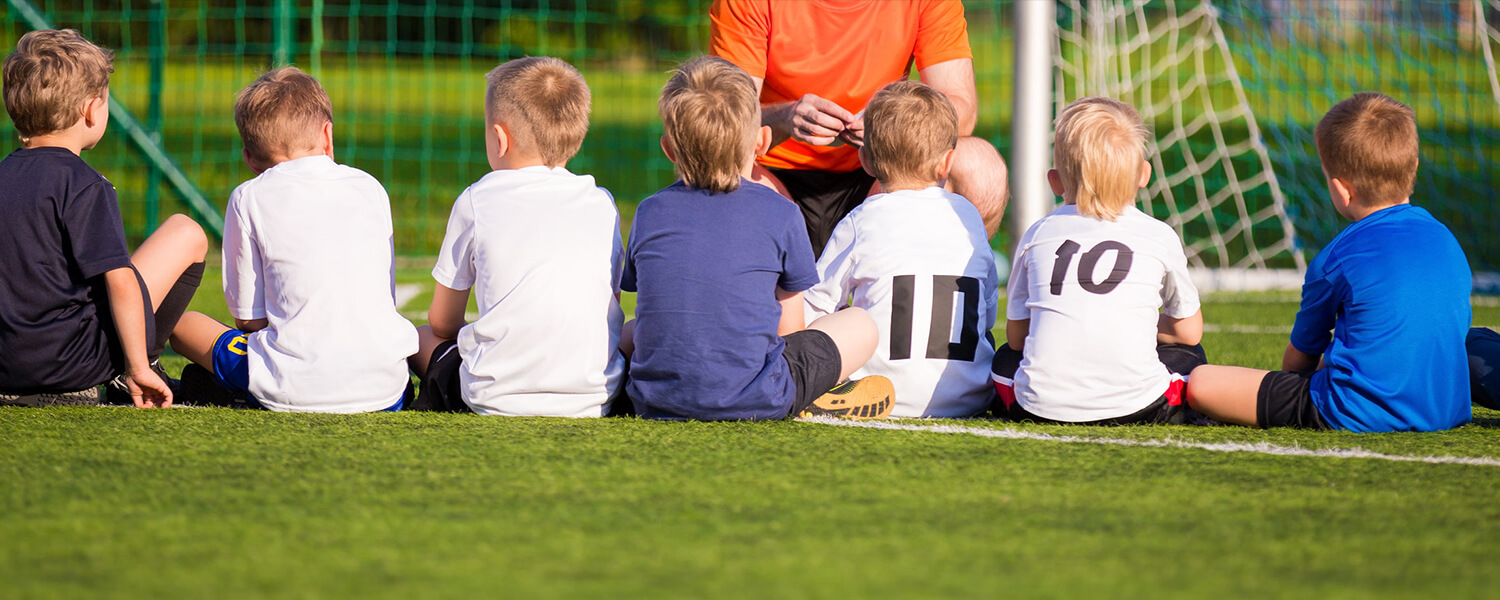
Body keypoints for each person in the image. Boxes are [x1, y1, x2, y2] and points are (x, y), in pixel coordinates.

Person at [620, 56, 890, 421]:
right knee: (860, 323)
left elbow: (650, 310)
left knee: (632, 330)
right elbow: (789, 331)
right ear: (762, 141)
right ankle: (813, 394)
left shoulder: (649, 211)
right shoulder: (781, 212)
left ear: (669, 149)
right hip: (760, 398)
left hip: (654, 400)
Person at [1187, 93, 1472, 432]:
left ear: (1341, 190)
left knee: (1201, 383)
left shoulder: (1337, 256)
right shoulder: (1447, 239)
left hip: (1352, 412)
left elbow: (1299, 360)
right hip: (1447, 410)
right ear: (1413, 167)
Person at [170, 67, 418, 413]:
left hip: (290, 386)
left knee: (182, 324)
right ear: (327, 135)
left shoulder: (248, 197)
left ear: (249, 159)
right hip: (387, 391)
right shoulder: (370, 187)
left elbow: (249, 320)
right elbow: (383, 298)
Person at [407, 57, 626, 417]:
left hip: (493, 398)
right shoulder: (602, 203)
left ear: (499, 138)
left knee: (417, 337)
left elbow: (443, 322)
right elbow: (609, 308)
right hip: (595, 396)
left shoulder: (477, 200)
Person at [0, 29, 206, 408]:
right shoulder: (85, 185)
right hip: (74, 367)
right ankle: (141, 373)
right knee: (187, 232)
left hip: (5, 369)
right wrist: (136, 366)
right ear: (92, 110)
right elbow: (121, 282)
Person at [710, 0, 1009, 256]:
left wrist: (895, 121)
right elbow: (724, 120)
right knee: (719, 171)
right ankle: (769, 301)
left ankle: (953, 297)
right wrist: (787, 117)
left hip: (882, 173)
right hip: (773, 173)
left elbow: (962, 110)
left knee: (980, 169)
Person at [991, 97, 1206, 425]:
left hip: (1038, 407)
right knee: (1192, 357)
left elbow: (1019, 338)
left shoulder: (1038, 234)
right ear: (1144, 174)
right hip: (1139, 407)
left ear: (1055, 181)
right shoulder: (1159, 235)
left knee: (1005, 358)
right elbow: (1188, 332)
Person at [803, 80, 999, 418]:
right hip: (971, 398)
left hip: (880, 394)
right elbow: (988, 309)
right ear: (947, 162)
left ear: (865, 160)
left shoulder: (862, 219)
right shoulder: (968, 215)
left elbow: (814, 306)